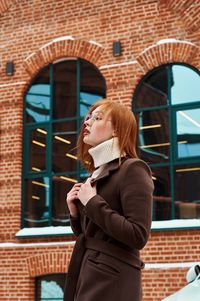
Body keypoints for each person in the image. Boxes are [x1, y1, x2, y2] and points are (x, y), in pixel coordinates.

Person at [64, 99, 154, 301]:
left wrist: (92, 202)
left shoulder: (133, 169)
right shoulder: (98, 173)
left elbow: (138, 235)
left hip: (112, 280)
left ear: (117, 131)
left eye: (97, 118)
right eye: (88, 117)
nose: (87, 122)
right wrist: (75, 214)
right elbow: (94, 236)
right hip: (89, 273)